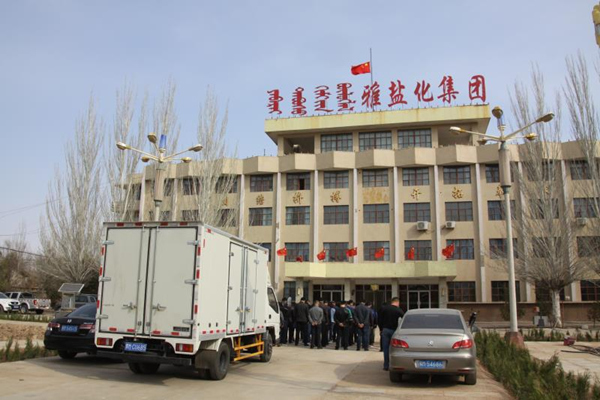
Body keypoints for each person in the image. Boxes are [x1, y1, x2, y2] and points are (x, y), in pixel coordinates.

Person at [379, 297, 404, 371]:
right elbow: (404, 318)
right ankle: (394, 364)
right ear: (397, 302)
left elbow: (379, 319)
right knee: (394, 348)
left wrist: (381, 329)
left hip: (385, 330)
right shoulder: (398, 310)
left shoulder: (384, 309)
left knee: (385, 348)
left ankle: (386, 365)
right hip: (394, 330)